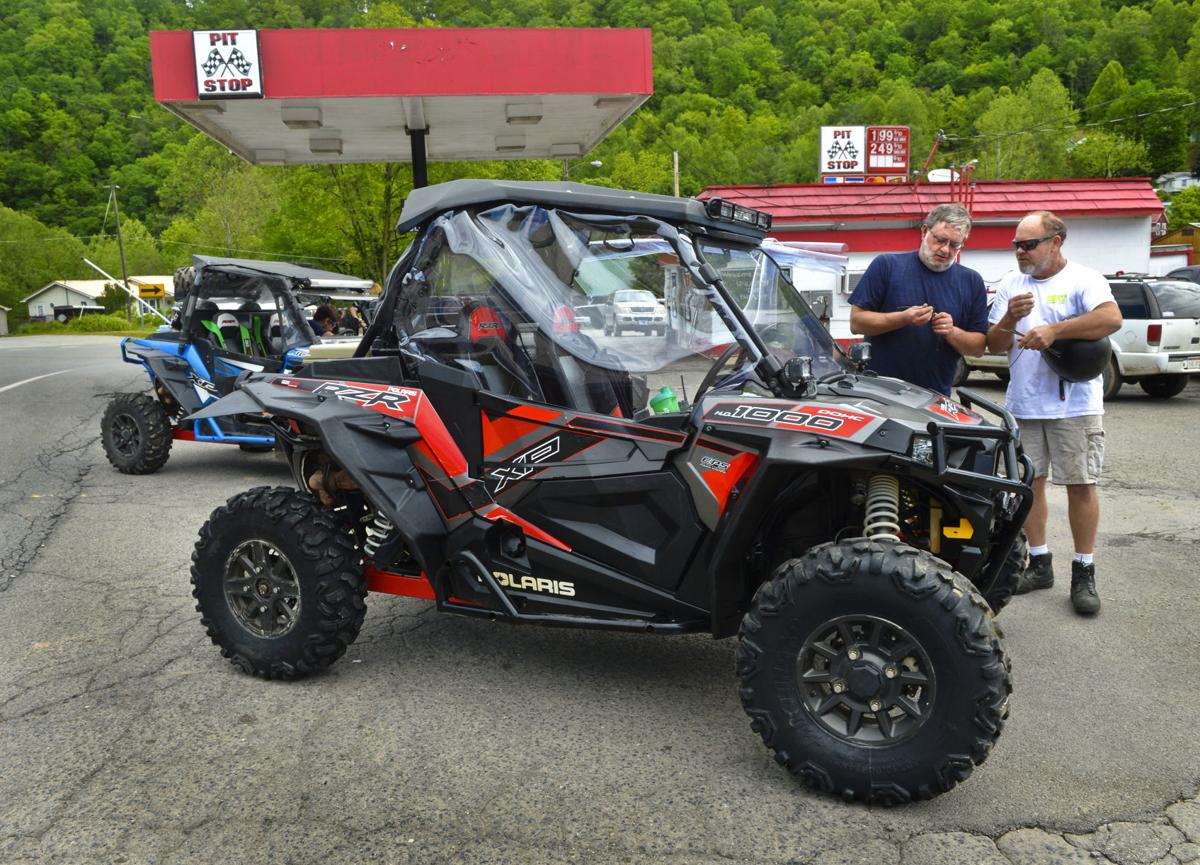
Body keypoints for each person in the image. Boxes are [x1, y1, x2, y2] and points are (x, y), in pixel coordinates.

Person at [985, 211, 1122, 616]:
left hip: (1074, 405)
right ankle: (1040, 563)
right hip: (1024, 403)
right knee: (1031, 485)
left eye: (1028, 244)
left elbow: (1111, 318)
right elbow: (993, 345)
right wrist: (1010, 316)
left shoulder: (1083, 279)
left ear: (1056, 242)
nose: (1020, 252)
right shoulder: (1011, 284)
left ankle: (1084, 570)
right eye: (1016, 245)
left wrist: (1055, 330)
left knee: (1081, 484)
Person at [848, 203, 988, 396]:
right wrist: (903, 318)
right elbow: (856, 323)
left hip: (936, 397)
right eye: (940, 240)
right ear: (924, 231)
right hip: (880, 392)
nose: (945, 250)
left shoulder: (971, 281)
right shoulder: (887, 266)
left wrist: (951, 332)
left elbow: (978, 347)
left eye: (955, 245)